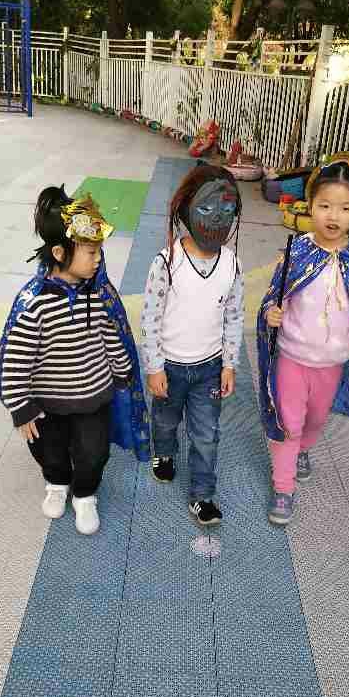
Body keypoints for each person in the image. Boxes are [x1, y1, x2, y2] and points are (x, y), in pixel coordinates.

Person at [0, 186, 150, 536]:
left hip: (93, 398)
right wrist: (21, 407)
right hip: (46, 404)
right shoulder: (36, 304)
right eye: (91, 252)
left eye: (99, 252)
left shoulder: (97, 294)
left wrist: (122, 371)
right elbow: (16, 360)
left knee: (94, 453)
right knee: (48, 451)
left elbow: (110, 335)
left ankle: (85, 493)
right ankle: (57, 482)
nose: (98, 260)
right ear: (60, 253)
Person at [257, 160, 349, 525]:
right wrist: (271, 312)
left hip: (332, 364)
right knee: (289, 422)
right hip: (291, 356)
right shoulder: (297, 250)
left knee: (316, 418)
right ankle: (283, 488)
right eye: (325, 206)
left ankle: (303, 449)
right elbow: (274, 297)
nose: (334, 216)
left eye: (345, 208)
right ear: (310, 206)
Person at [140, 163, 245, 526]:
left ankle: (202, 495)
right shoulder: (167, 262)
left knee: (206, 436)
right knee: (165, 420)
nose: (217, 219)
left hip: (209, 370)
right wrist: (154, 367)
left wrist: (229, 364)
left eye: (227, 210)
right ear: (186, 209)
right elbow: (150, 318)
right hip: (169, 367)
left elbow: (235, 315)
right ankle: (164, 451)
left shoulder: (231, 264)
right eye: (206, 208)